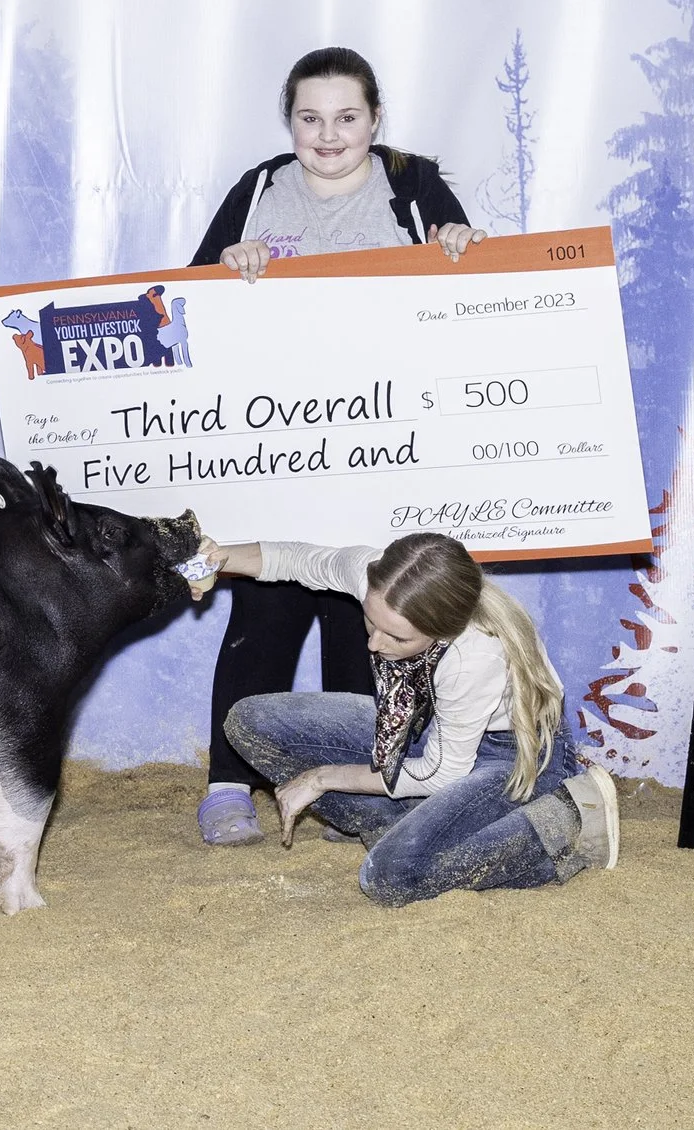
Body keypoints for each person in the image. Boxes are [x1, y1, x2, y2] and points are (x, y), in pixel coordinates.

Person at [187, 45, 487, 847]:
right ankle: (227, 785)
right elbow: (187, 304)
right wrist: (226, 268)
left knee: (372, 618)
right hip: (273, 447)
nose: (328, 134)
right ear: (288, 122)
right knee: (264, 611)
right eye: (310, 118)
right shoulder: (258, 190)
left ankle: (359, 788)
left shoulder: (414, 187)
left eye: (347, 117)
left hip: (384, 451)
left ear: (375, 119)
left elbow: (469, 290)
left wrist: (464, 246)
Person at [185, 528, 619, 905]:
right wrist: (220, 557)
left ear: (443, 628)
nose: (374, 644)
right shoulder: (382, 579)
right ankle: (398, 825)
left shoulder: (473, 656)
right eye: (370, 622)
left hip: (513, 755)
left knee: (391, 877)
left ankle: (568, 822)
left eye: (396, 637)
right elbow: (296, 560)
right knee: (248, 721)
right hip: (425, 730)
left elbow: (439, 774)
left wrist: (321, 778)